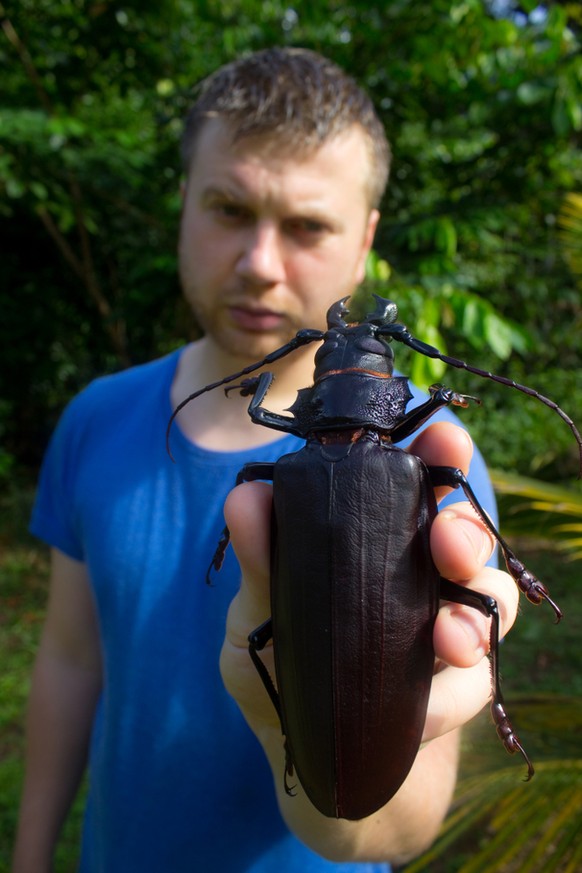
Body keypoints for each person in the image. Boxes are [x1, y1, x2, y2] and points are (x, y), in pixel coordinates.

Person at [13, 47, 520, 872]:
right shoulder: (95, 420)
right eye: (228, 208)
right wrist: (29, 855)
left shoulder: (431, 454)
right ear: (183, 204)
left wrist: (308, 740)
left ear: (365, 240)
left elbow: (407, 822)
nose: (259, 263)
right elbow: (72, 658)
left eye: (307, 224)